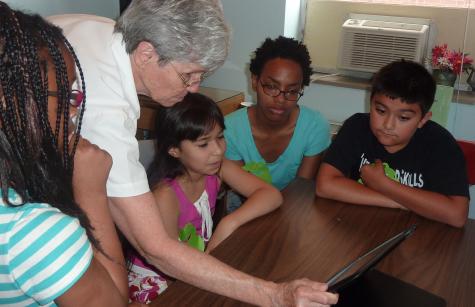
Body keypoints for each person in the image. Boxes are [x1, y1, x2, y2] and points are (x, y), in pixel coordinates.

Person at [48, 1, 338, 305]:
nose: (195, 89)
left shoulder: (103, 30)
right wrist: (275, 294)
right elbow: (155, 246)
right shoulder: (105, 115)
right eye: (188, 75)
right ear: (147, 53)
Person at [0, 3, 125, 305]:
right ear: (8, 99)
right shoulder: (35, 233)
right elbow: (117, 300)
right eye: (66, 94)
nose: (74, 109)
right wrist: (92, 195)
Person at [127, 93, 282, 303]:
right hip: (158, 278)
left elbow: (271, 195)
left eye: (220, 137)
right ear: (174, 150)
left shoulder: (217, 169)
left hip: (194, 262)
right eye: (203, 144)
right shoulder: (166, 195)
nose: (218, 151)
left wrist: (229, 222)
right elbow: (171, 264)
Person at [316, 60, 469, 228]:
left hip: (416, 239)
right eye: (381, 111)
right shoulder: (356, 127)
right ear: (371, 102)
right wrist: (398, 201)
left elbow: (457, 215)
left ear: (423, 119)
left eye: (403, 118)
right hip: (357, 229)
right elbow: (325, 185)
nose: (388, 125)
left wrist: (384, 184)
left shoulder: (441, 144)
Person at [224, 36, 330, 211]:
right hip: (245, 209)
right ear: (255, 81)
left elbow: (300, 191)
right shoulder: (230, 130)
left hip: (293, 210)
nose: (280, 99)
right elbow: (245, 194)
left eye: (292, 91)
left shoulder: (314, 127)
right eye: (272, 87)